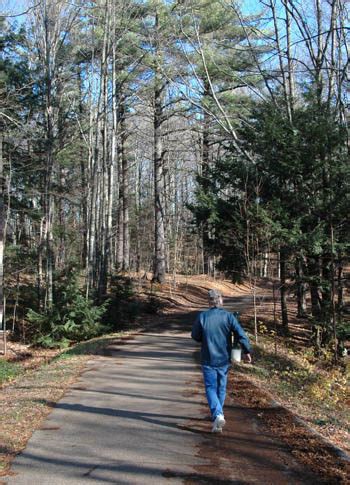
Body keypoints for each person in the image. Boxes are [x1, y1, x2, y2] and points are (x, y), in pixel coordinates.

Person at [191, 289, 252, 433]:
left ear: (209, 301)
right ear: (221, 300)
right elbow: (240, 334)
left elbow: (195, 335)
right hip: (224, 359)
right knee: (221, 387)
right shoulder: (229, 317)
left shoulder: (203, 317)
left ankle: (217, 414)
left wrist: (203, 338)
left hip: (208, 358)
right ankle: (219, 414)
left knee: (211, 388)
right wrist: (247, 351)